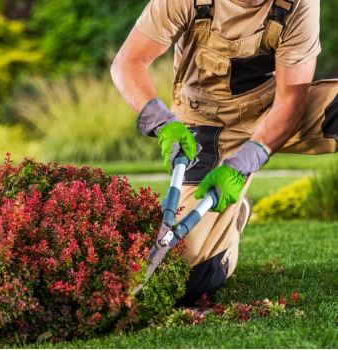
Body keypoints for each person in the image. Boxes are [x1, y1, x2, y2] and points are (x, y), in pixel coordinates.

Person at [111, 0, 338, 306]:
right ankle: (231, 225)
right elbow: (128, 62)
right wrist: (164, 124)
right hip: (207, 124)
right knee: (188, 277)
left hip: (275, 110)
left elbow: (290, 102)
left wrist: (244, 162)